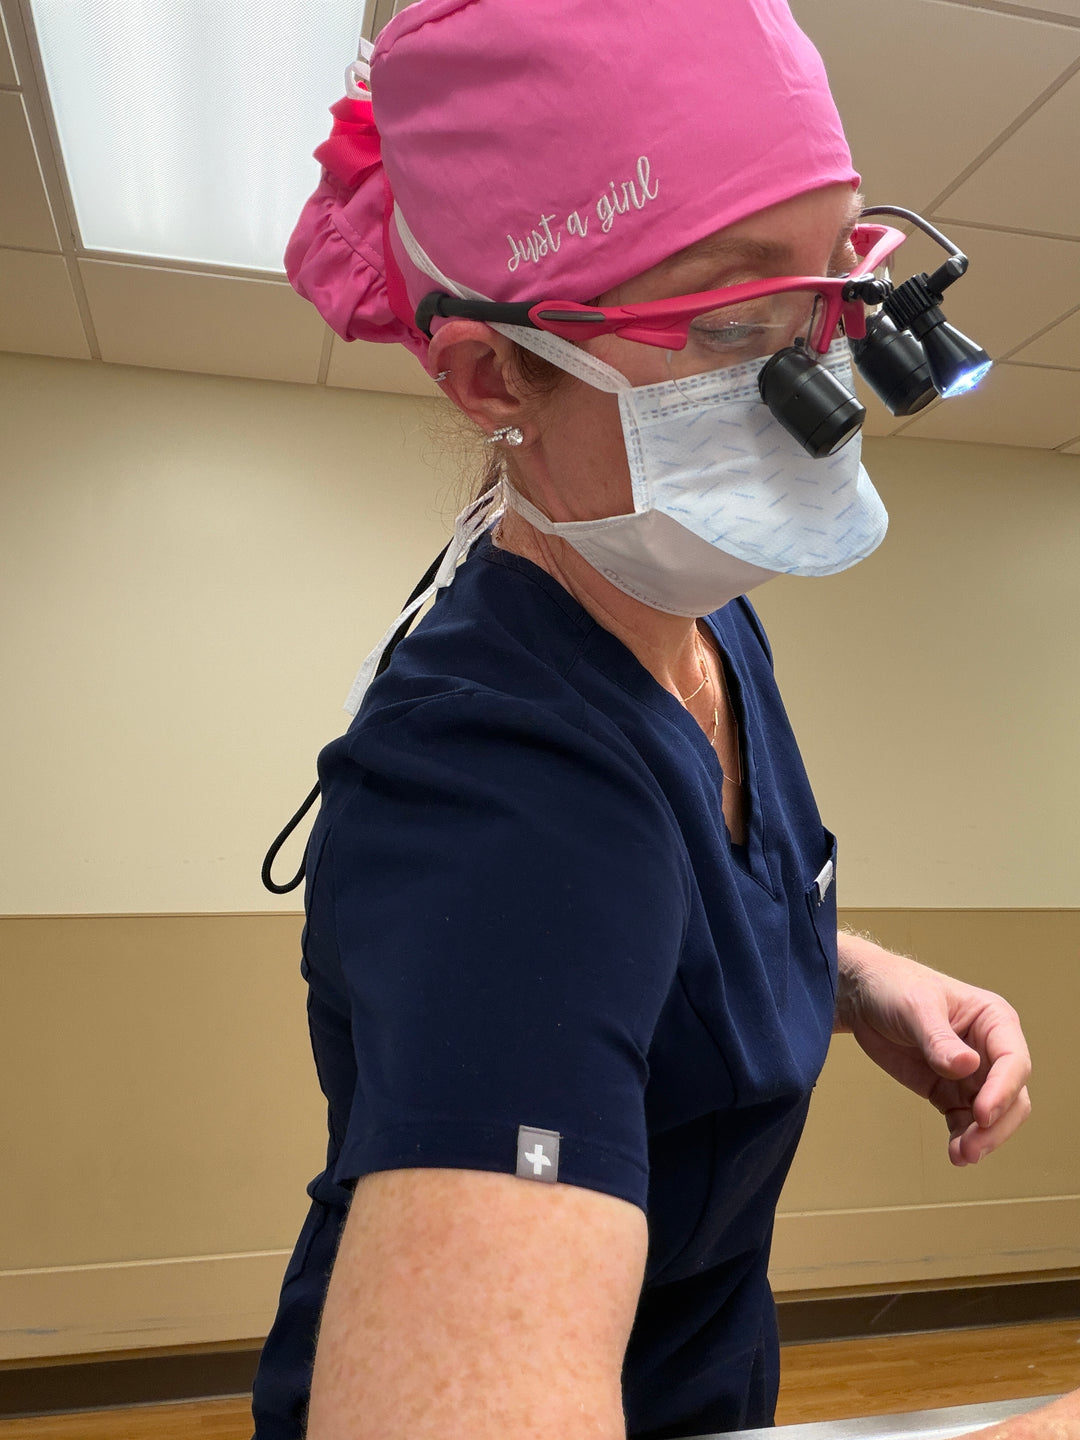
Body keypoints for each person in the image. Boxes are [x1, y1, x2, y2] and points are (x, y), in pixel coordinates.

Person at [250, 3, 1042, 1438]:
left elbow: (667, 900)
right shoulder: (501, 794)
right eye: (741, 320)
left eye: (834, 290)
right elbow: (567, 889)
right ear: (495, 374)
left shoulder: (703, 628)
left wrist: (844, 971)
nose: (821, 381)